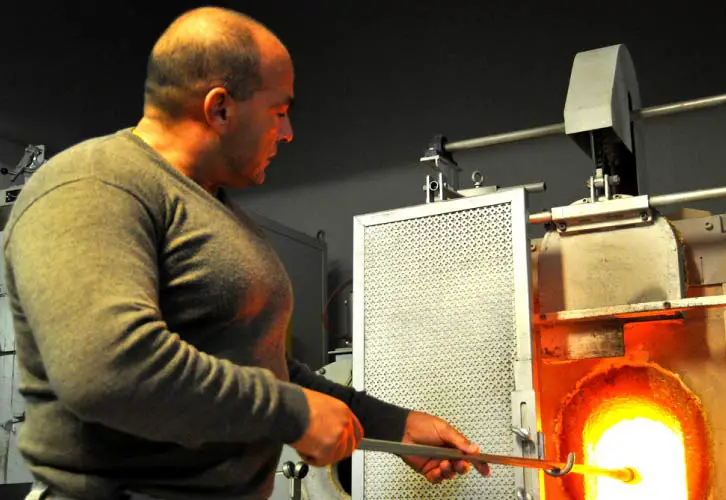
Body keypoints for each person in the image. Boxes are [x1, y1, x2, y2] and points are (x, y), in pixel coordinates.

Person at [3, 6, 491, 500]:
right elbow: (108, 370)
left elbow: (263, 365)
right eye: (279, 111)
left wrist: (394, 425)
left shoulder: (215, 207)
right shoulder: (94, 184)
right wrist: (293, 413)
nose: (288, 133)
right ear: (220, 108)